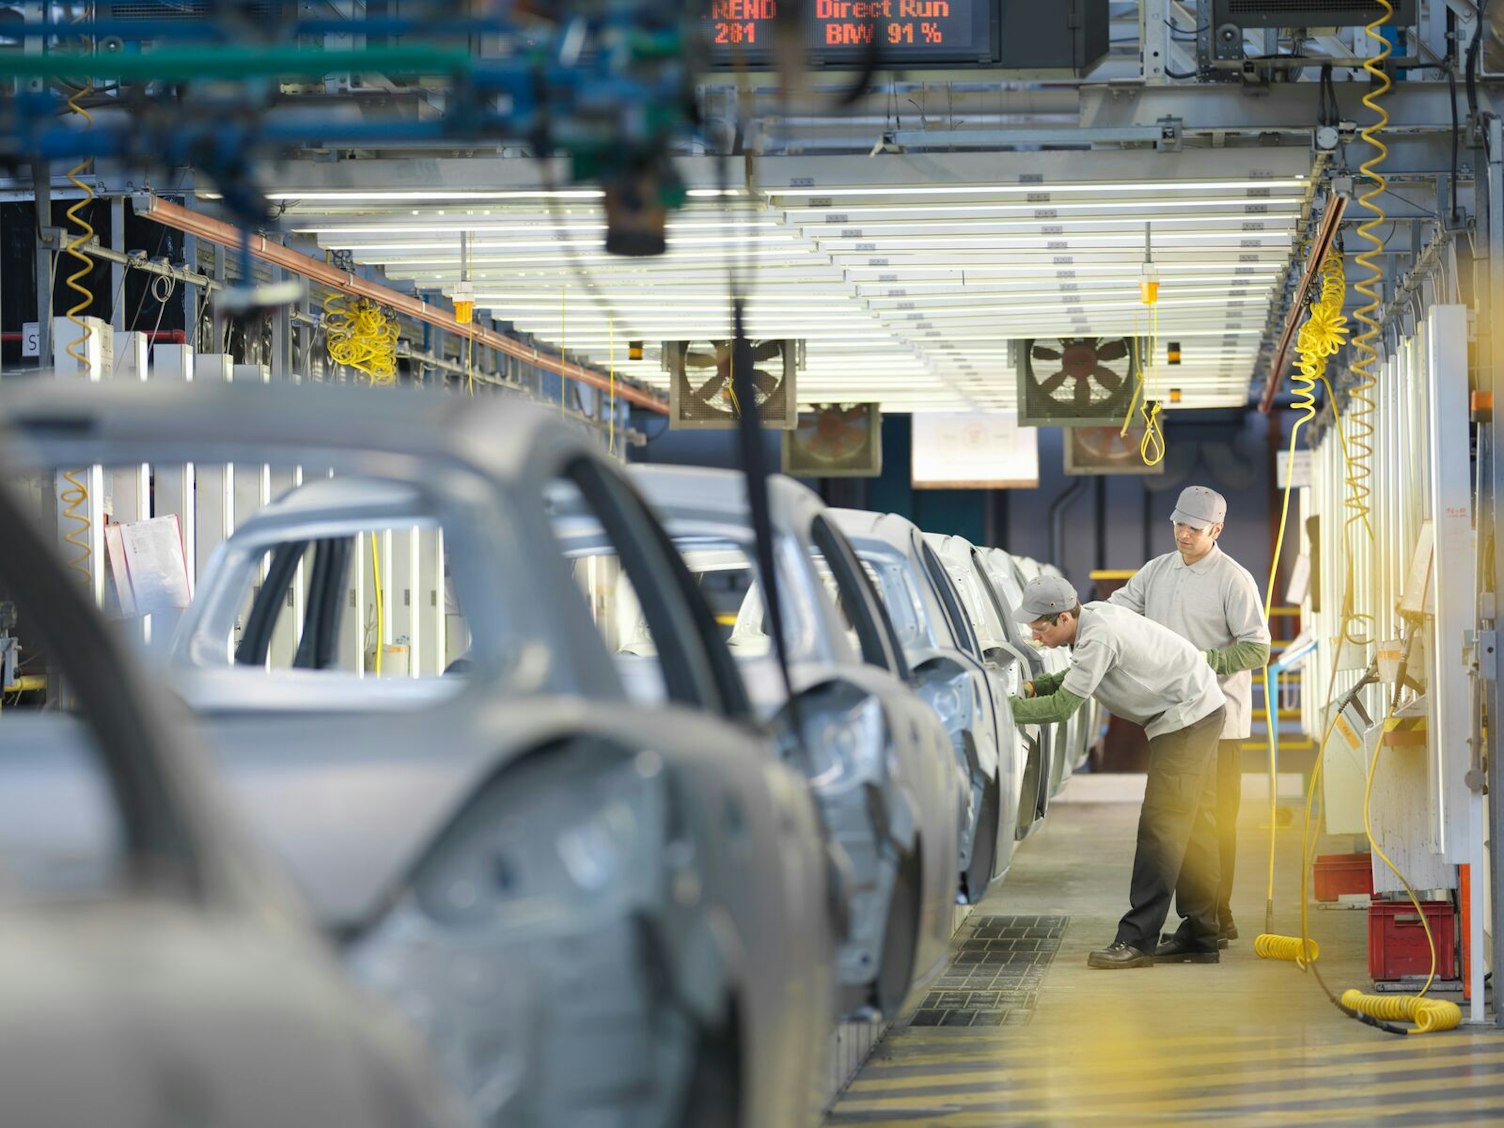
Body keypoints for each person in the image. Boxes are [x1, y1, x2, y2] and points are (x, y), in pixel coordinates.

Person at [1008, 574, 1226, 968]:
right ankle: (1201, 934)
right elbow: (1080, 676)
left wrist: (1001, 708)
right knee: (1193, 826)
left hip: (1187, 717)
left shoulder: (1099, 635)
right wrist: (1033, 689)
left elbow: (1062, 707)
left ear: (1061, 619)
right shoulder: (1092, 619)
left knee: (1161, 829)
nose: (1035, 637)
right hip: (1200, 707)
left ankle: (1137, 941)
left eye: (1039, 628)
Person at [1107, 485, 1270, 954]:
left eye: (1194, 528)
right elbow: (1120, 610)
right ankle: (1209, 921)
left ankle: (1215, 917)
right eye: (1178, 524)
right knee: (1193, 822)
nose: (1183, 533)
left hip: (1221, 721)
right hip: (1173, 718)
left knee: (1215, 823)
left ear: (1216, 530)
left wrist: (1198, 663)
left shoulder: (1232, 580)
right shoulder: (1157, 571)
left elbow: (1258, 648)